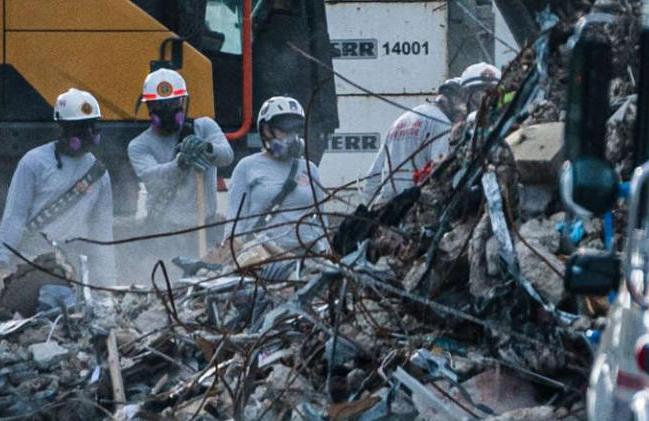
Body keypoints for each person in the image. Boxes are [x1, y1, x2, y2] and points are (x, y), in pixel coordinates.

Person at [0, 88, 116, 285]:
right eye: (81, 128)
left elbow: (102, 231)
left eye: (92, 126)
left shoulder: (99, 174)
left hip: (76, 268)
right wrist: (2, 263)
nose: (89, 134)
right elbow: (14, 217)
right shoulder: (34, 163)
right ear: (64, 129)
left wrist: (108, 280)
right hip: (35, 262)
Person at [128, 68, 233, 259]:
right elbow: (153, 179)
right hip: (167, 232)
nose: (167, 111)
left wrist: (208, 148)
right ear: (150, 109)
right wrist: (181, 163)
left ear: (183, 102)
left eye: (172, 104)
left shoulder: (204, 127)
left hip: (204, 227)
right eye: (160, 106)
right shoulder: (139, 145)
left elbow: (227, 156)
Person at [225, 96, 327, 254]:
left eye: (295, 131)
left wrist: (326, 252)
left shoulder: (309, 168)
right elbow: (234, 222)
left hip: (307, 253)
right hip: (263, 256)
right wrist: (234, 252)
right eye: (284, 130)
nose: (291, 137)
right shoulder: (247, 167)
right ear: (266, 130)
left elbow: (322, 220)